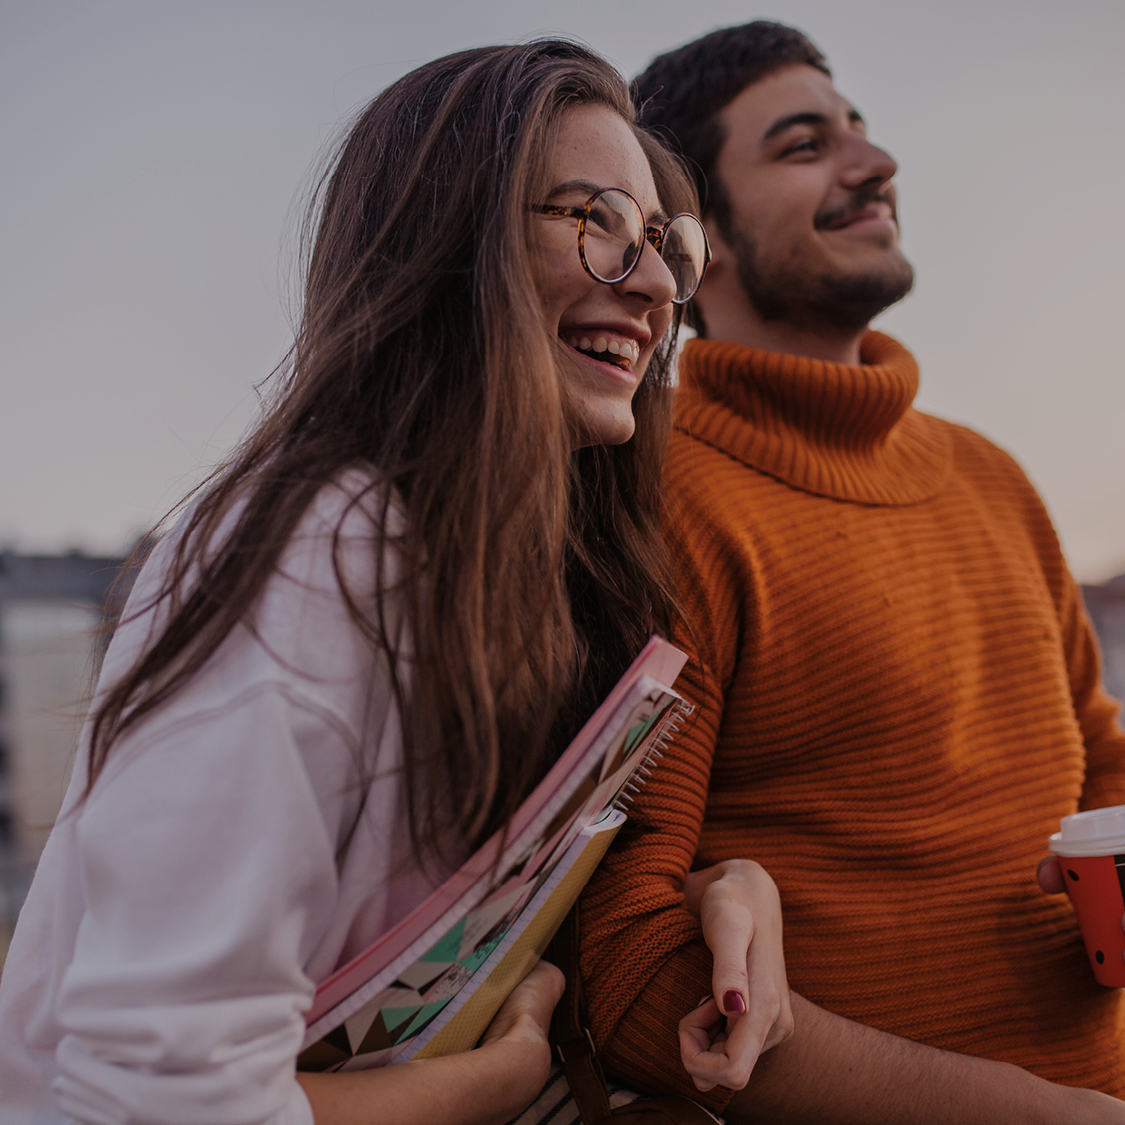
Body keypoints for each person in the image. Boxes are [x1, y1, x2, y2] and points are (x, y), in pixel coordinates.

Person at [0, 40, 785, 1125]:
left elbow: (444, 935)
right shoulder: (319, 563)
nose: (656, 286)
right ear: (447, 249)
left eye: (662, 242)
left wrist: (727, 894)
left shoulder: (500, 568)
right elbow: (152, 1104)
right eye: (594, 220)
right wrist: (490, 1085)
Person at [578, 20, 1125, 1124]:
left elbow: (1102, 770)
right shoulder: (656, 500)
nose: (873, 163)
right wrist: (1032, 1114)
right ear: (696, 243)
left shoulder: (995, 479)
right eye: (803, 145)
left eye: (860, 132)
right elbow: (627, 977)